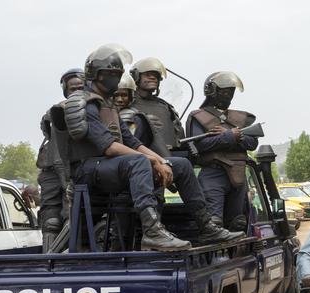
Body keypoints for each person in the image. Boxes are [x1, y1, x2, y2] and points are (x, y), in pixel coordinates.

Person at [64, 44, 242, 251]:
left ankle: (207, 227)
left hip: (111, 165)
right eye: (110, 74)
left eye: (117, 73)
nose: (115, 78)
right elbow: (110, 147)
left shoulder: (108, 104)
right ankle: (152, 232)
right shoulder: (86, 104)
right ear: (96, 74)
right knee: (139, 161)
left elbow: (132, 142)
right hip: (88, 169)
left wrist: (160, 160)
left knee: (181, 165)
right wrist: (153, 161)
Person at [185, 71, 259, 231]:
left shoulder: (240, 118)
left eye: (231, 91)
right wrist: (228, 137)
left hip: (239, 174)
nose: (228, 95)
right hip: (213, 173)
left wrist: (236, 137)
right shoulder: (199, 117)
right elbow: (198, 146)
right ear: (212, 91)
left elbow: (252, 142)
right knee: (214, 223)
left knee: (238, 223)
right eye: (224, 91)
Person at [36, 68, 84, 247]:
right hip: (53, 172)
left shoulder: (94, 108)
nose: (77, 91)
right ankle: (49, 260)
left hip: (78, 170)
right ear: (66, 90)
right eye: (73, 89)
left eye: (81, 87)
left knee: (72, 217)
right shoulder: (55, 111)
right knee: (51, 221)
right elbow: (48, 128)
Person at [129, 57, 184, 154]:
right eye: (148, 75)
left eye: (156, 76)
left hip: (171, 156)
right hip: (140, 156)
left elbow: (180, 137)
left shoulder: (166, 107)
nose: (153, 78)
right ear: (136, 76)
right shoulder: (127, 103)